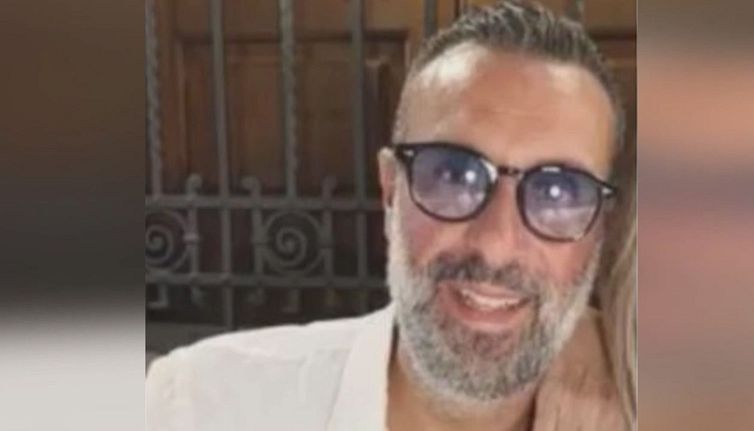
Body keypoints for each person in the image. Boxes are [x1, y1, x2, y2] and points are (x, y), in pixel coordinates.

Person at [146, 1, 636, 430]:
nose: (495, 244)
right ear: (390, 191)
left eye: (558, 192)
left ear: (601, 230)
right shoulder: (199, 407)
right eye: (452, 175)